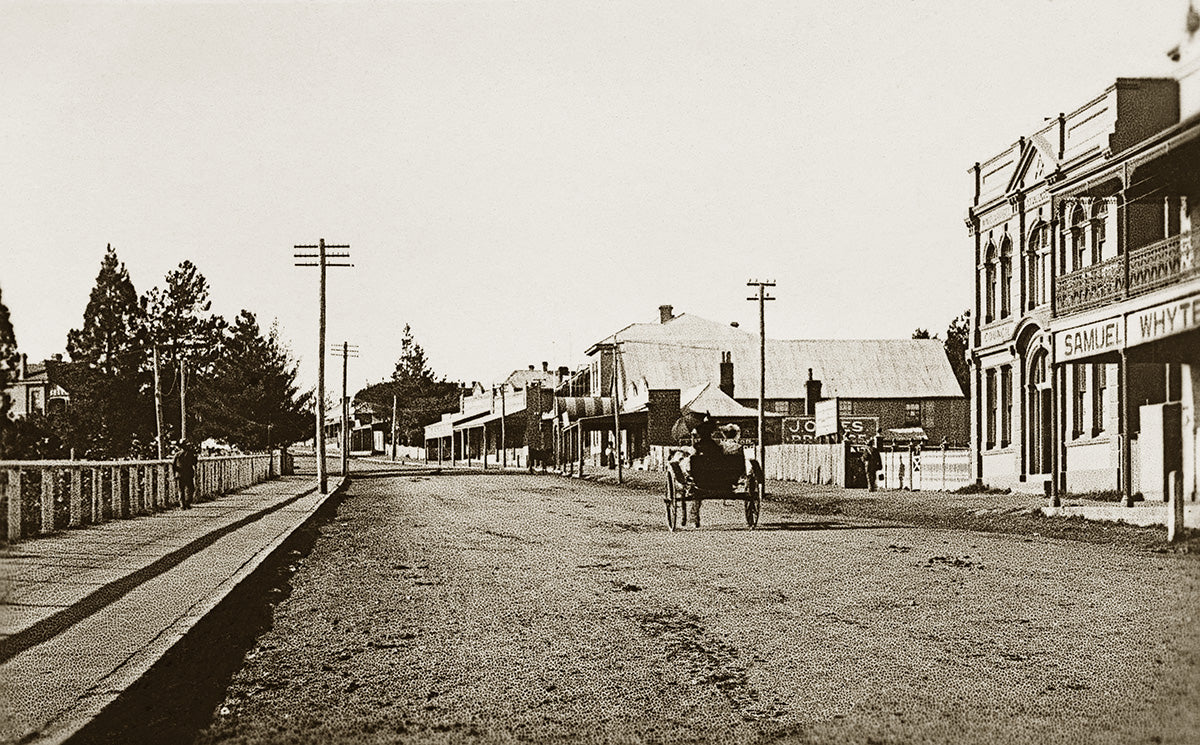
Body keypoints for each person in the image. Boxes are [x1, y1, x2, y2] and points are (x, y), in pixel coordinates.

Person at [173, 438, 198, 509]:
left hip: (179, 474)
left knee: (181, 490)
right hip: (188, 474)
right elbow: (194, 462)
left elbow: (174, 465)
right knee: (191, 489)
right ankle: (187, 502)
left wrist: (175, 474)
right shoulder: (190, 454)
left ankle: (182, 505)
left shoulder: (177, 454)